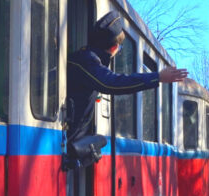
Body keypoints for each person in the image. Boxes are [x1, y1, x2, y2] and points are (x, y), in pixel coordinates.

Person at [64, 11, 188, 168]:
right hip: (68, 139)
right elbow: (112, 83)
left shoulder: (85, 58)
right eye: (120, 47)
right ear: (115, 47)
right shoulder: (88, 61)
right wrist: (157, 77)